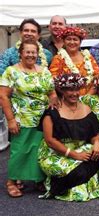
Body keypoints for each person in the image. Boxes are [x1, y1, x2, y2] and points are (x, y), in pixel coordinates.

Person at [38, 73, 99, 201]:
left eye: (76, 89)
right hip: (55, 153)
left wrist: (97, 144)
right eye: (70, 90)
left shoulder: (86, 109)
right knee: (79, 171)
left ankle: (78, 180)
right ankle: (58, 187)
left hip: (80, 147)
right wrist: (73, 154)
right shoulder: (52, 111)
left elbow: (94, 134)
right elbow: (50, 141)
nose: (74, 93)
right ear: (62, 90)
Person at [0, 40, 56, 197]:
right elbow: (3, 96)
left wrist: (52, 104)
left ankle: (38, 180)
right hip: (20, 119)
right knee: (20, 151)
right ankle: (11, 181)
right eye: (27, 52)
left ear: (37, 54)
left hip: (42, 120)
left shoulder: (44, 71)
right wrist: (10, 120)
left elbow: (52, 93)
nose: (31, 55)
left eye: (33, 52)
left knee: (39, 150)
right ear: (21, 53)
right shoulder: (11, 71)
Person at [49, 27, 99, 96]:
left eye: (75, 39)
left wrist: (87, 96)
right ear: (64, 41)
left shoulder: (88, 57)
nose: (72, 42)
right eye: (68, 39)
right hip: (66, 99)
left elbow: (97, 77)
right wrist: (70, 96)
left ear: (80, 42)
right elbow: (53, 80)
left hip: (90, 97)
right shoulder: (58, 59)